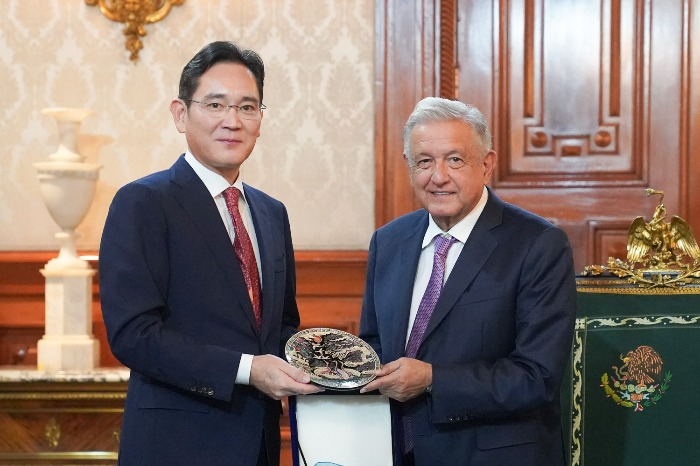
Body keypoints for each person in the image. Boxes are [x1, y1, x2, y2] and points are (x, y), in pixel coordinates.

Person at [99, 41, 322, 466]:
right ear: (181, 114)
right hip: (175, 445)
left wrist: (333, 366)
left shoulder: (271, 213)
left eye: (247, 107)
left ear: (261, 119)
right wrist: (246, 370)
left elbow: (282, 325)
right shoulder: (143, 202)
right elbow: (134, 334)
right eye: (216, 105)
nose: (232, 121)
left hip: (257, 443)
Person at [358, 97, 577, 465]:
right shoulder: (389, 241)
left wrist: (432, 379)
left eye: (455, 160)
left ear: (486, 164)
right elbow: (374, 343)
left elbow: (537, 375)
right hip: (396, 450)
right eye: (424, 161)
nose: (438, 176)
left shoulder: (538, 244)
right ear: (409, 167)